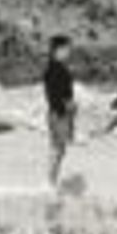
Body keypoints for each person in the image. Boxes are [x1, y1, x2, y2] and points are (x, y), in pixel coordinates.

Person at [42, 35, 76, 188]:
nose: (69, 52)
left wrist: (70, 107)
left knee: (59, 149)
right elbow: (52, 94)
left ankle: (51, 181)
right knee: (57, 148)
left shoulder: (57, 67)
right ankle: (50, 182)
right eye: (67, 49)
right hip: (58, 113)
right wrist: (63, 108)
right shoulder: (54, 69)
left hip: (59, 112)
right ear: (58, 50)